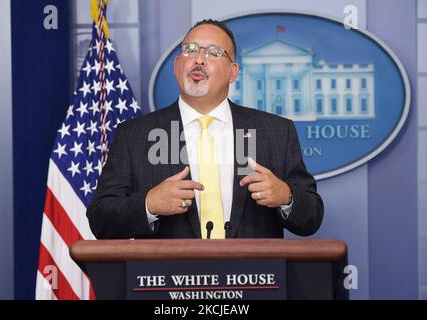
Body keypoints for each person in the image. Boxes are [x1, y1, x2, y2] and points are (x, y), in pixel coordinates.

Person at [87, 19, 323, 239]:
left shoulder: (276, 132)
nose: (199, 59)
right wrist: (148, 204)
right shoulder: (134, 135)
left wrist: (286, 197)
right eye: (190, 50)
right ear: (177, 65)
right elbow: (100, 219)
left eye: (213, 53)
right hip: (167, 280)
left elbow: (311, 217)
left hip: (254, 278)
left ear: (233, 72)